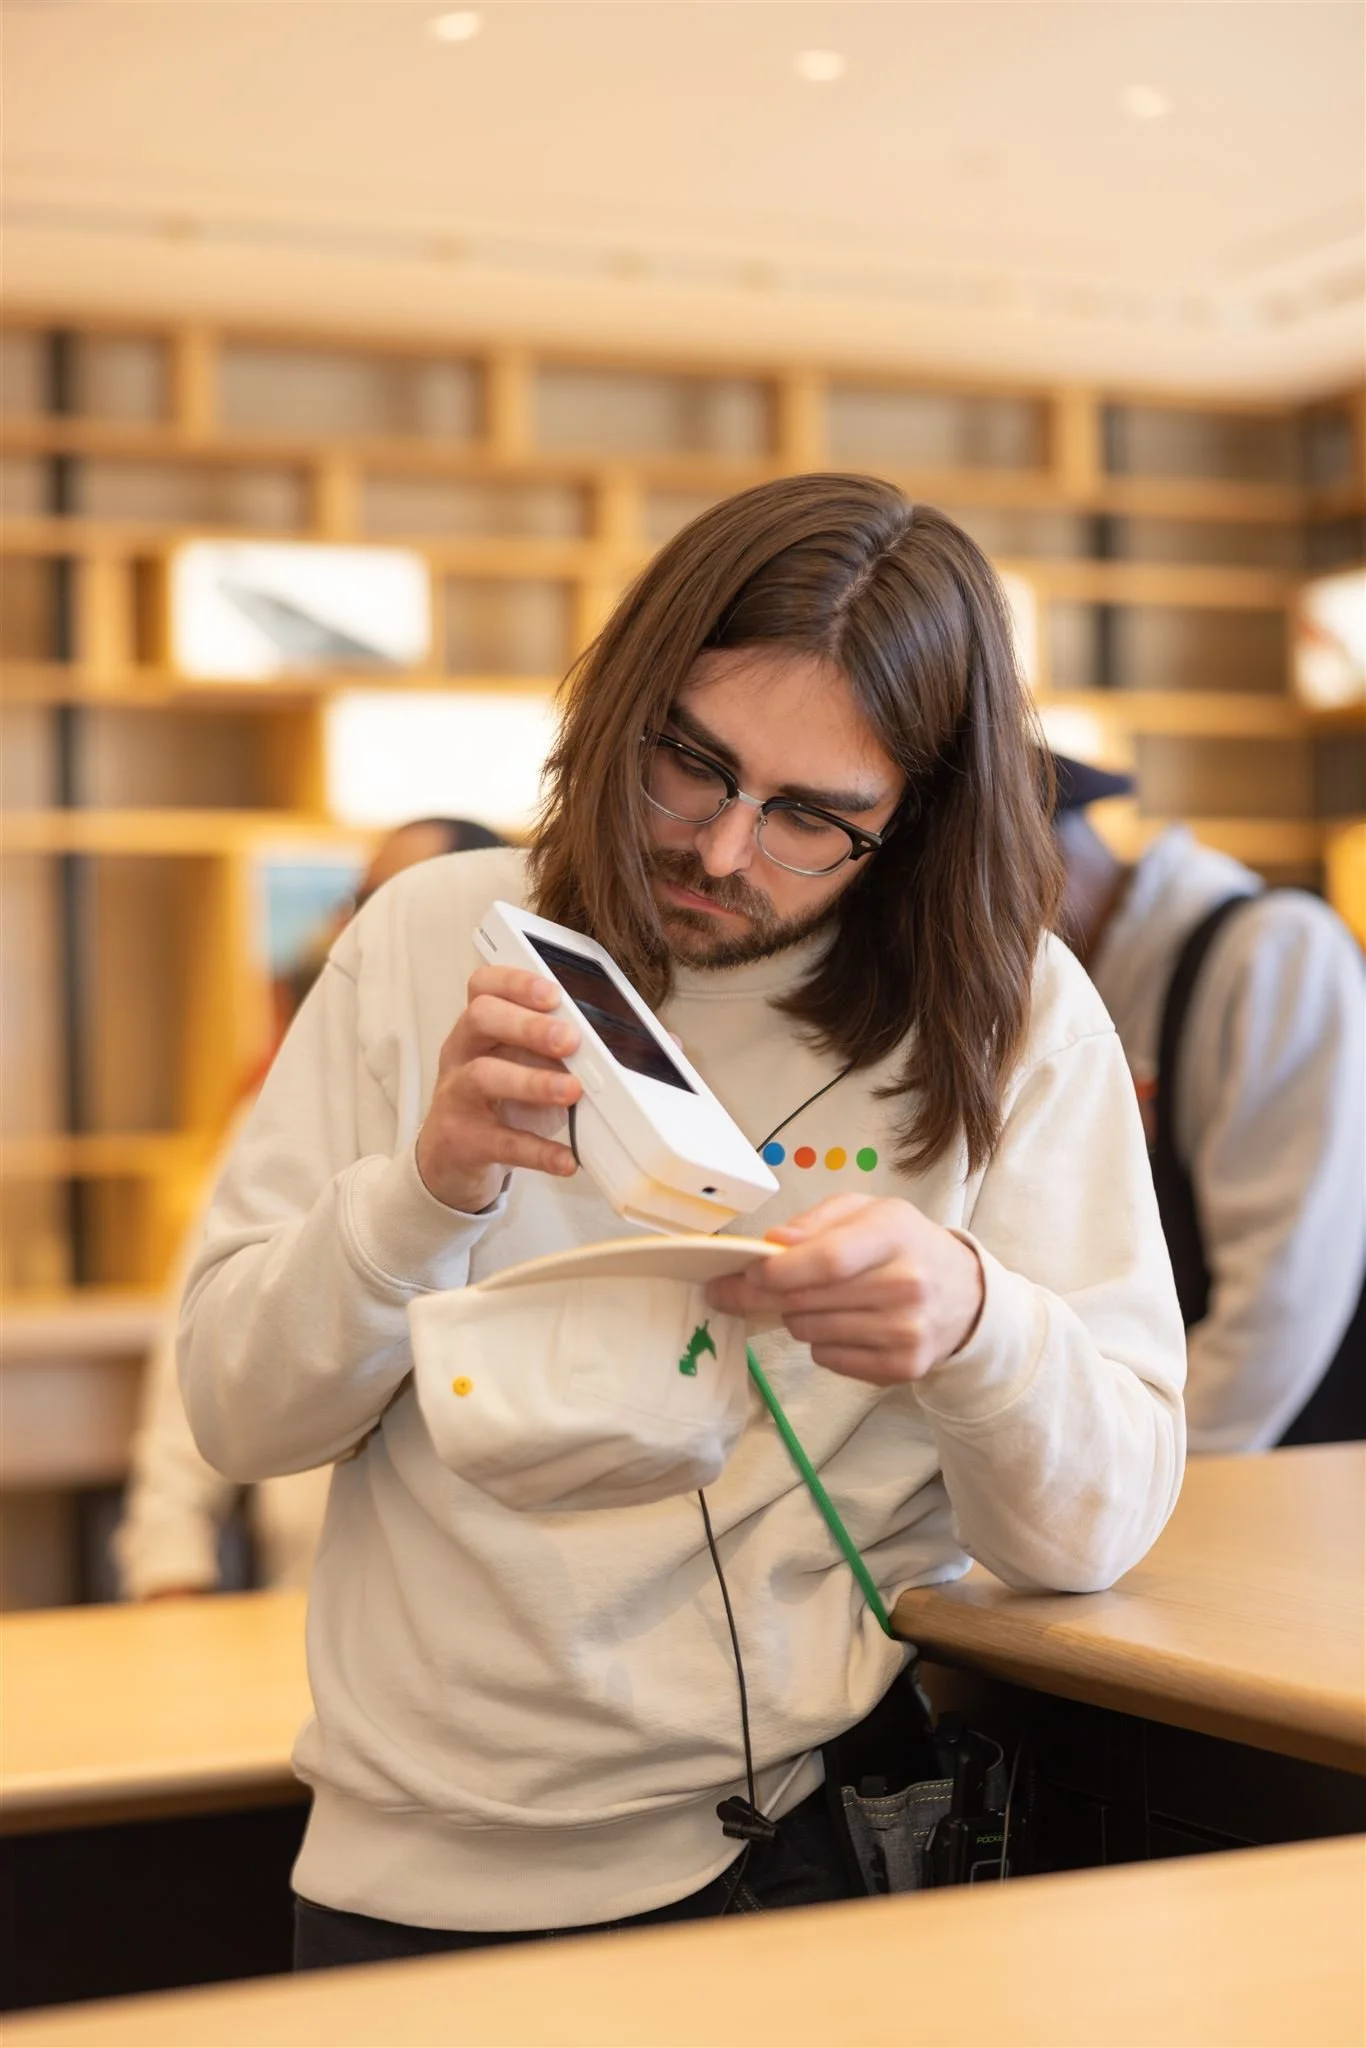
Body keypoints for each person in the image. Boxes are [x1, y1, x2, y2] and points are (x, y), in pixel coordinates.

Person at [178, 477, 1185, 1962]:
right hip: (402, 1861)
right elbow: (234, 1417)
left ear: (914, 814)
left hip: (793, 1851)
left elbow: (1091, 1530)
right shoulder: (421, 939)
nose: (722, 851)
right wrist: (421, 1195)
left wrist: (974, 1321)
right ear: (620, 701)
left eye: (809, 818)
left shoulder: (1010, 1016)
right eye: (689, 766)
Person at [115, 817, 506, 1600]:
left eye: (381, 900)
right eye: (353, 898)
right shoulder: (285, 1091)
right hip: (312, 1576)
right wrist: (169, 1554)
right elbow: (200, 1336)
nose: (347, 927)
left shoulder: (547, 1102)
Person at [1052, 755, 1364, 1453]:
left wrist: (1153, 1480)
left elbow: (1284, 1294)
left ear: (1046, 864)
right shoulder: (1081, 996)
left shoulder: (1273, 954)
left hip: (1298, 1461)